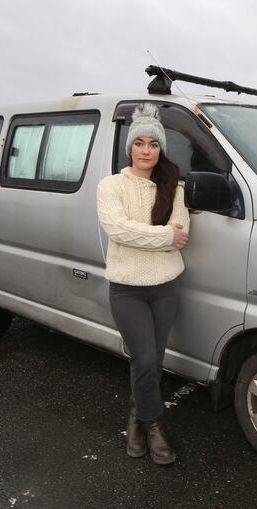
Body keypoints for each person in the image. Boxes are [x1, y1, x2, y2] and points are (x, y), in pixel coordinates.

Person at [96, 103, 190, 465]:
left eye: (153, 144)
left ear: (161, 149)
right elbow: (118, 230)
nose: (146, 150)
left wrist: (161, 236)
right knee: (145, 358)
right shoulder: (111, 186)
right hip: (127, 288)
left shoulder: (174, 186)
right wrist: (164, 235)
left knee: (154, 361)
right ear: (130, 147)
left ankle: (137, 417)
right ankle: (155, 425)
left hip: (166, 285)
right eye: (139, 143)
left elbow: (182, 233)